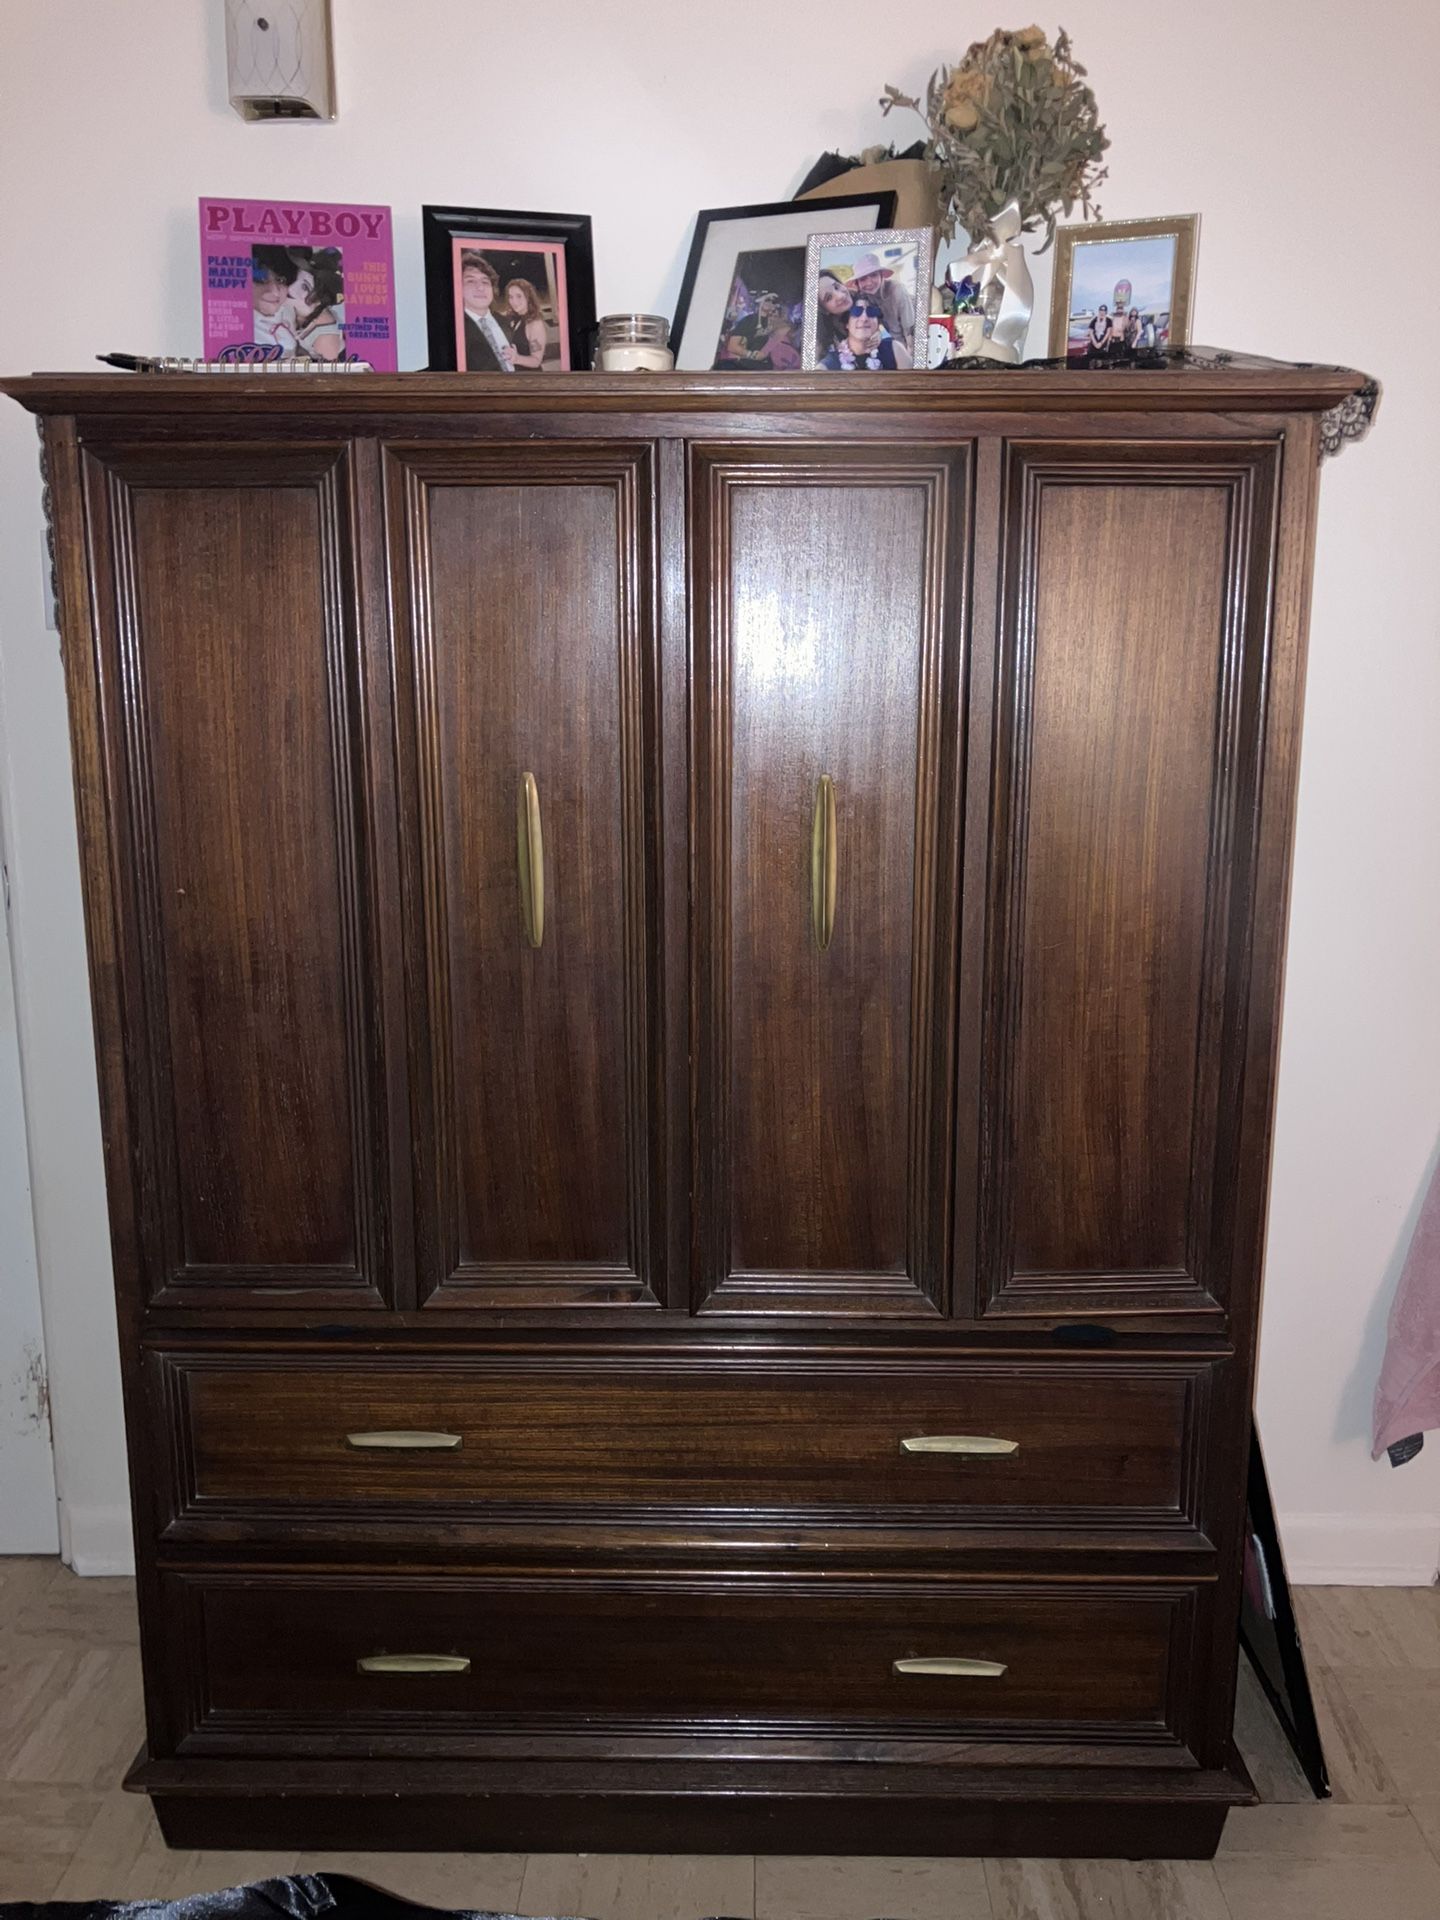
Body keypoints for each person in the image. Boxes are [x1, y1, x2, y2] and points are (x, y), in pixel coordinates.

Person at [845, 250, 916, 355]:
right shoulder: (864, 297)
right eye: (863, 279)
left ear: (881, 275)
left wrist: (911, 354)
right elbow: (875, 322)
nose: (869, 282)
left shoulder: (896, 290)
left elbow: (910, 329)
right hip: (896, 342)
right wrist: (878, 333)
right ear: (857, 283)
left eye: (874, 275)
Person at [283, 248, 345, 361]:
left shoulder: (325, 338)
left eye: (305, 287)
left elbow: (330, 371)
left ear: (319, 300)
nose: (291, 286)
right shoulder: (295, 308)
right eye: (296, 277)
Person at [819, 295, 912, 370]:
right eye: (856, 311)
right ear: (847, 323)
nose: (864, 318)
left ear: (878, 322)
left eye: (871, 312)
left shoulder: (895, 350)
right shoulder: (830, 363)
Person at [459, 251, 513, 372]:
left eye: (485, 282)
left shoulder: (505, 322)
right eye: (471, 281)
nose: (480, 287)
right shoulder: (457, 331)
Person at [718, 290, 787, 369]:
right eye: (767, 299)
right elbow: (732, 346)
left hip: (767, 367)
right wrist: (752, 355)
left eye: (773, 301)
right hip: (748, 367)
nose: (770, 302)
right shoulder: (748, 320)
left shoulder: (774, 322)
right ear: (759, 301)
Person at [500, 277, 549, 371]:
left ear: (528, 298)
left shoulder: (535, 324)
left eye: (519, 296)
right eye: (511, 297)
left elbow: (536, 360)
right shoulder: (515, 318)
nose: (514, 301)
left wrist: (517, 359)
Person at [814, 270, 853, 357]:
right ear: (823, 310)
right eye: (829, 298)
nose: (840, 296)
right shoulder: (821, 338)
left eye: (836, 287)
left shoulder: (865, 300)